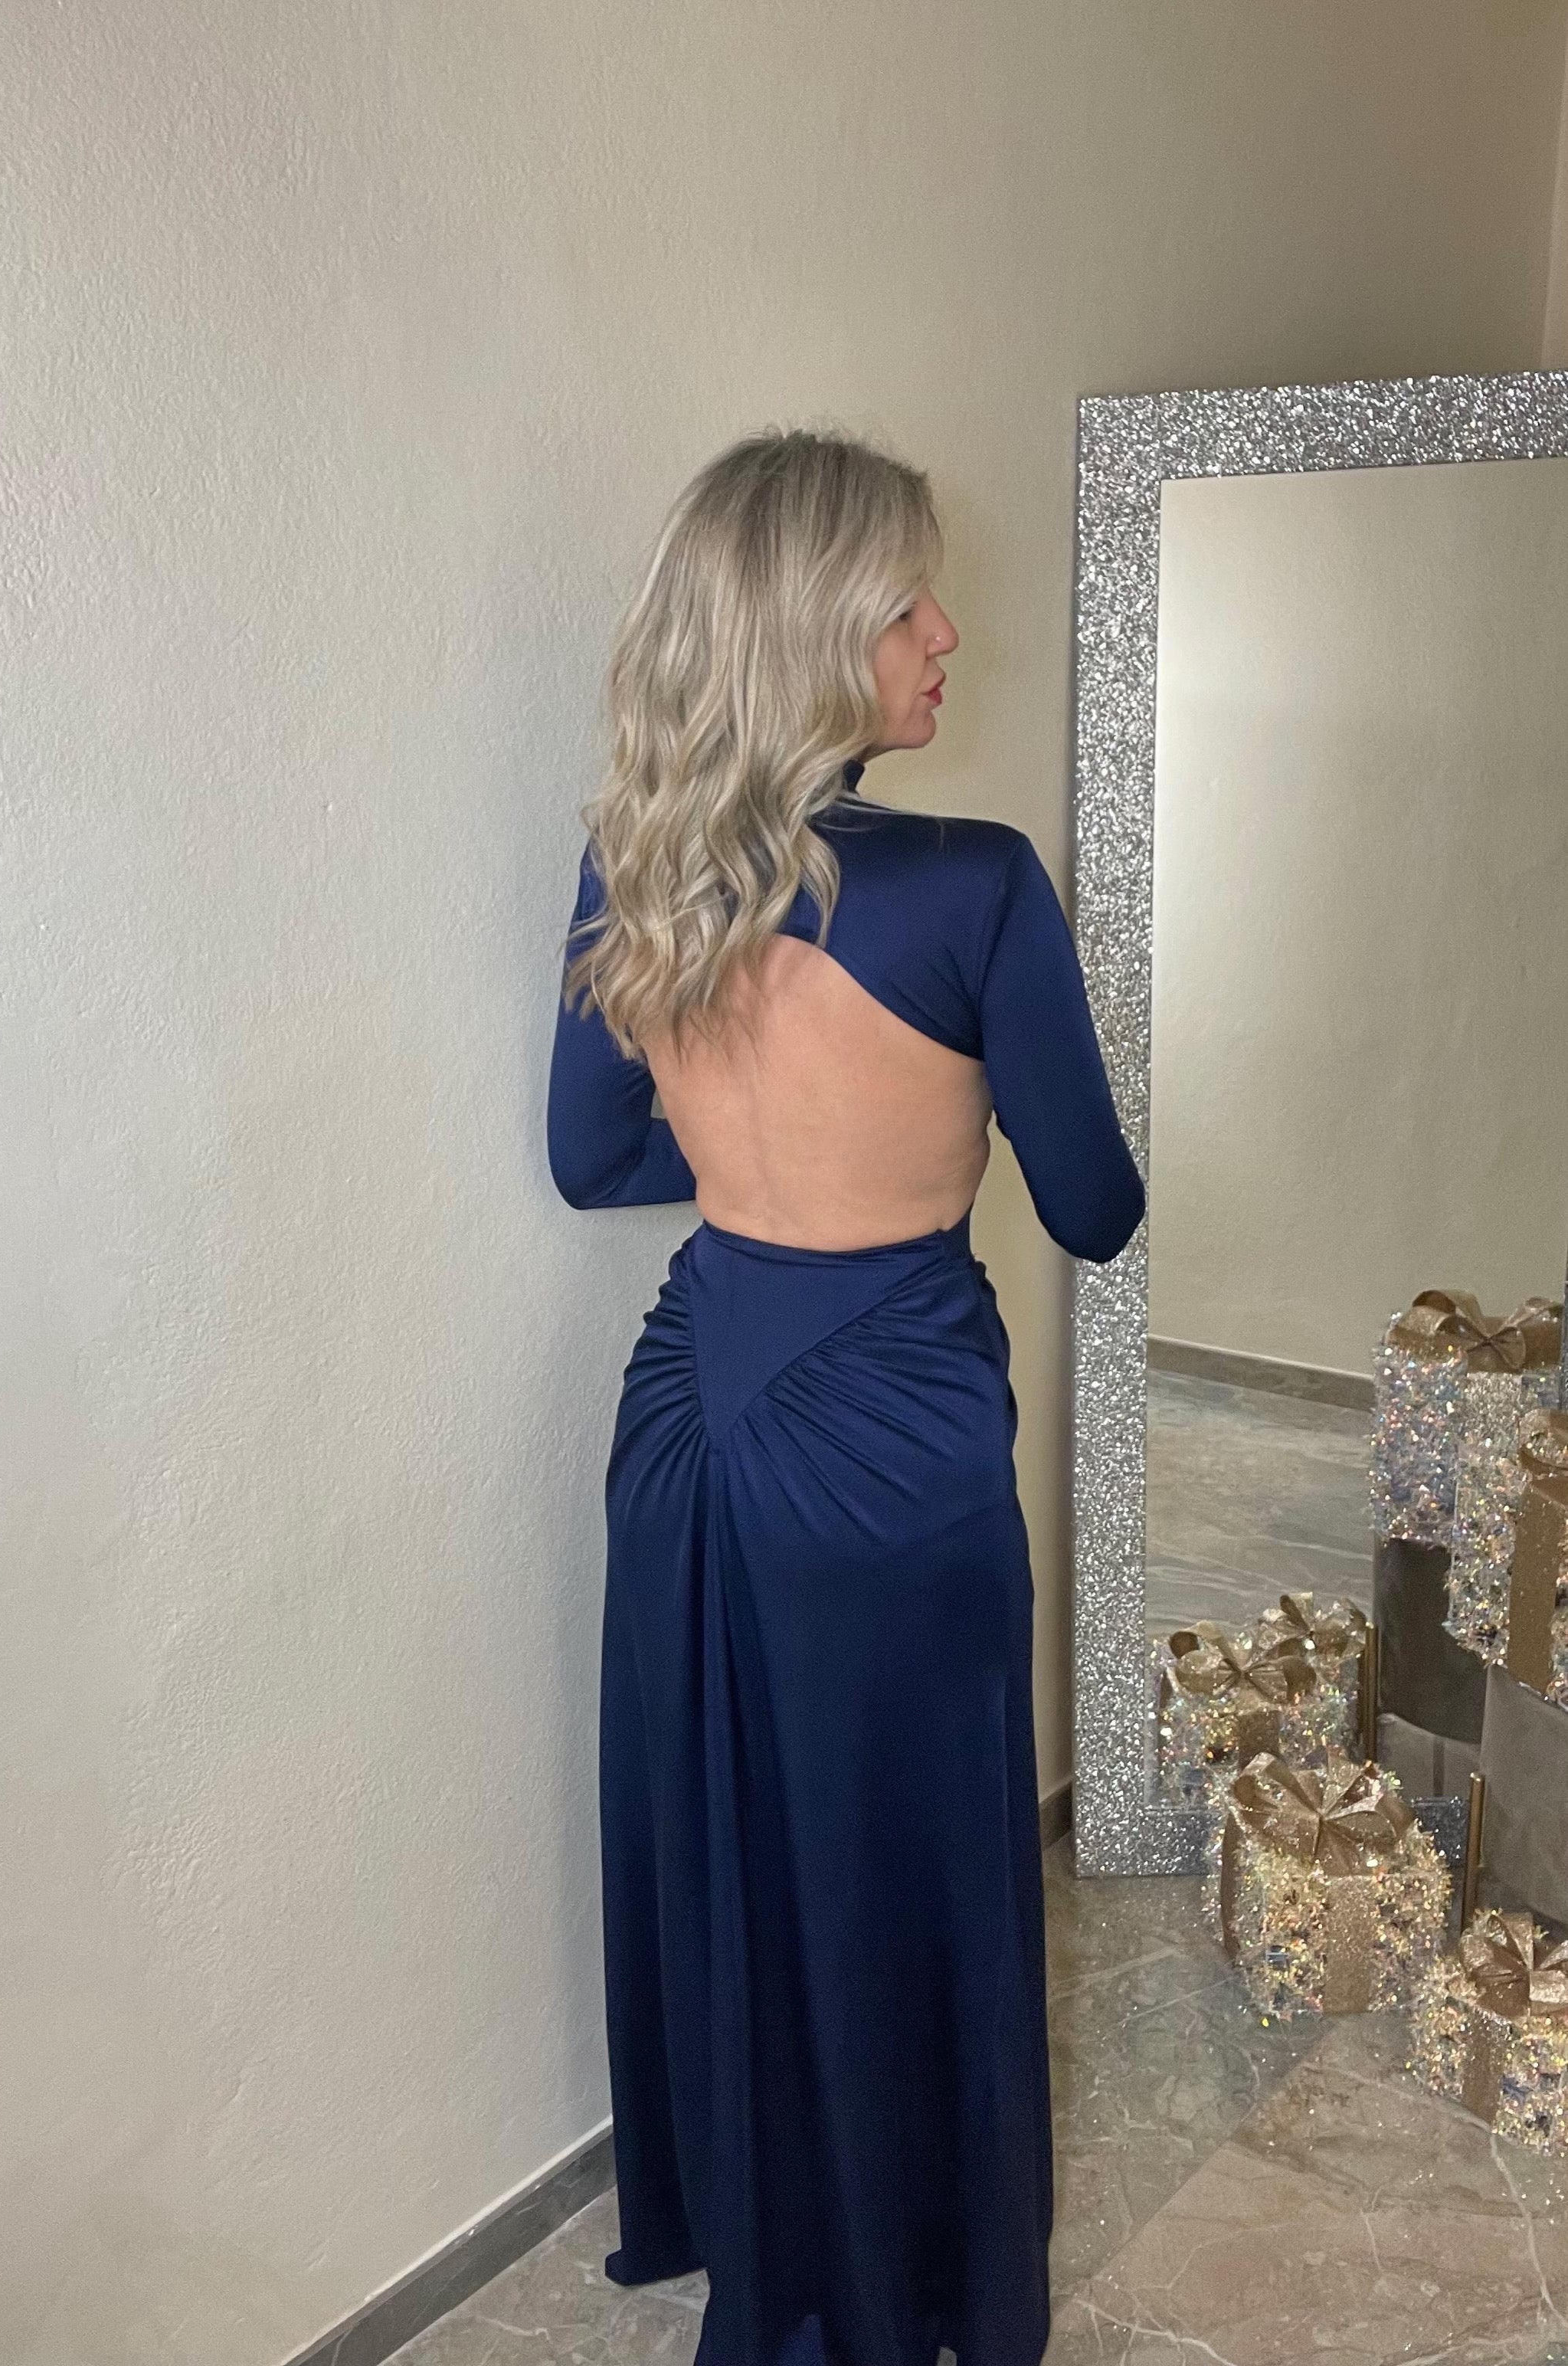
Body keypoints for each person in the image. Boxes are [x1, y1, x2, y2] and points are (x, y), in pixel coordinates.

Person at [544, 428, 1144, 2366]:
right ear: (810, 633)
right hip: (891, 1432)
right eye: (906, 603)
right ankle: (912, 2261)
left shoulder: (633, 866)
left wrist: (762, 1152)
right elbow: (1099, 1207)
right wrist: (929, 1132)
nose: (945, 633)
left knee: (738, 1818)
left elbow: (591, 1158)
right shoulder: (975, 885)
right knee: (903, 1846)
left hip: (688, 1416)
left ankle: (758, 2213)